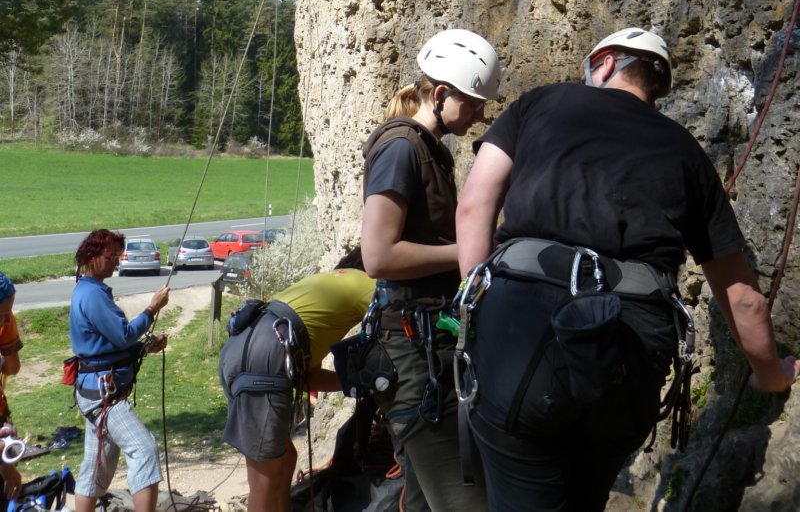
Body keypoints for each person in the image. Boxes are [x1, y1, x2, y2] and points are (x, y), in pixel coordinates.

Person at [456, 27, 800, 512]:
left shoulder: (538, 105)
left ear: (604, 63)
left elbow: (474, 206)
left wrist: (473, 311)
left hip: (518, 332)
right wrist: (771, 373)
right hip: (629, 345)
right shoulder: (687, 154)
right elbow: (742, 295)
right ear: (656, 87)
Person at [360, 28, 502, 511]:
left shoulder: (427, 150)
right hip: (412, 354)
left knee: (422, 500)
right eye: (475, 102)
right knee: (465, 501)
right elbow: (378, 256)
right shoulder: (402, 148)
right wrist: (470, 252)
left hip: (426, 345)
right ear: (440, 95)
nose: (481, 113)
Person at [218, 253, 375, 512]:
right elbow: (395, 325)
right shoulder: (366, 282)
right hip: (267, 355)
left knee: (282, 459)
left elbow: (308, 378)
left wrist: (352, 383)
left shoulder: (325, 284)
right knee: (266, 477)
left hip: (242, 350)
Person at [69, 230, 170, 512]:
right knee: (144, 448)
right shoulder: (92, 295)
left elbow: (107, 345)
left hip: (95, 390)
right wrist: (152, 309)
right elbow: (123, 335)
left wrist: (145, 347)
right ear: (91, 257)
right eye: (110, 257)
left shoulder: (89, 290)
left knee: (94, 464)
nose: (115, 263)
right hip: (104, 394)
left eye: (117, 257)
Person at [0, 274, 22, 507]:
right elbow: (12, 366)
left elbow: (12, 367)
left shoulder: (5, 318)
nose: (7, 321)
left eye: (10, 313)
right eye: (2, 314)